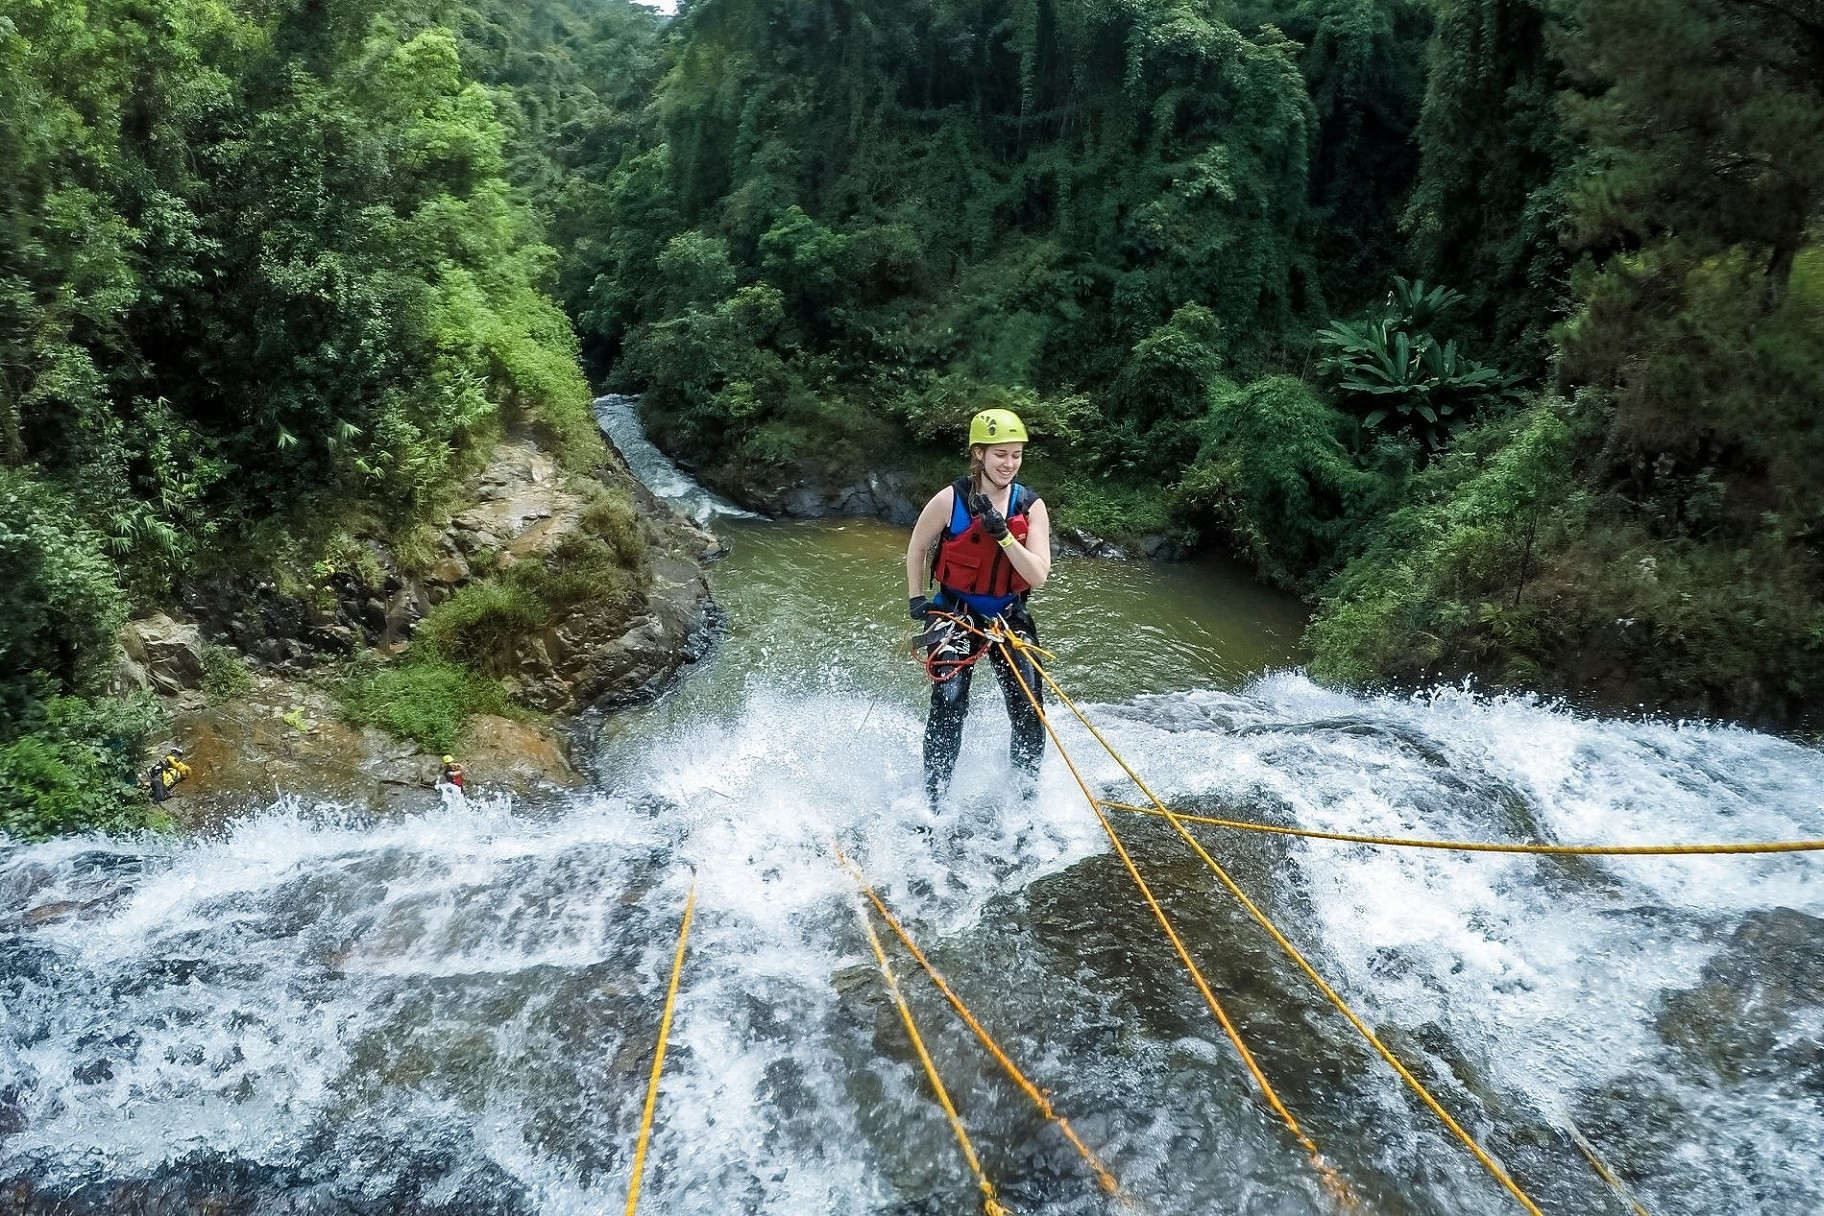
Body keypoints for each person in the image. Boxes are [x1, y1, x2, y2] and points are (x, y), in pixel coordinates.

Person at [906, 407, 1053, 807]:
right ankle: (934, 801)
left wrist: (1004, 536)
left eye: (1016, 455)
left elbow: (1038, 574)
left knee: (1029, 707)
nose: (1009, 463)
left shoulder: (1030, 506)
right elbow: (917, 547)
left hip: (1008, 612)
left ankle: (1024, 800)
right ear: (979, 454)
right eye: (1000, 454)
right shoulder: (950, 499)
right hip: (955, 610)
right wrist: (917, 598)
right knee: (949, 700)